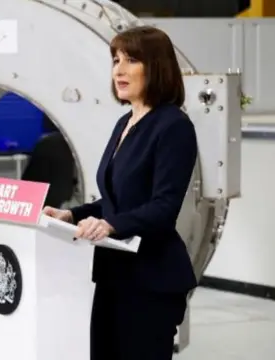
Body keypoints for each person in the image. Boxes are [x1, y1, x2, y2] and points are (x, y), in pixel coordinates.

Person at [43, 26, 198, 360]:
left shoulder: (173, 126)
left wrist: (111, 226)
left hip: (151, 280)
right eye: (116, 60)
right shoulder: (125, 122)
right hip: (114, 275)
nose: (119, 70)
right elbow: (116, 199)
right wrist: (73, 214)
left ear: (156, 67)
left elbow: (164, 206)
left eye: (131, 60)